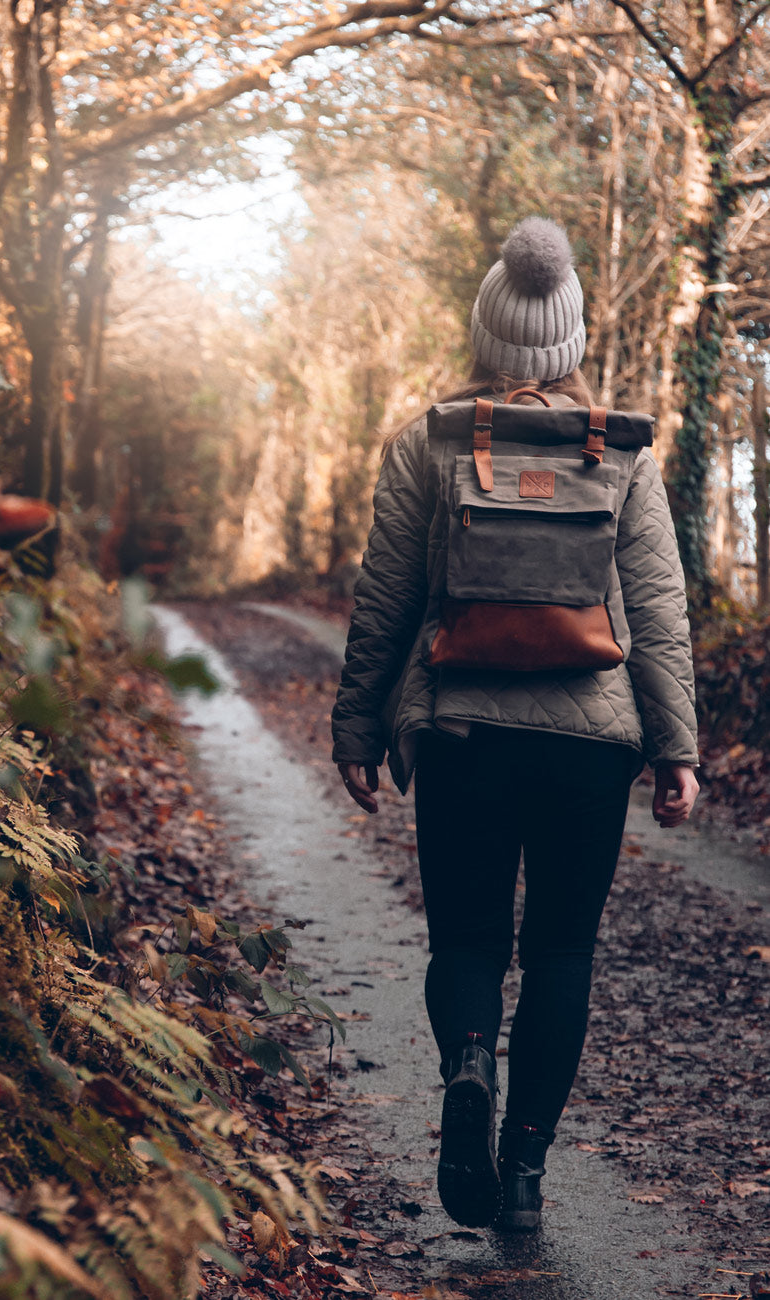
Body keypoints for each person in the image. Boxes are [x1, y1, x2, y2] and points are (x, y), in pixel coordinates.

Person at [329, 216, 700, 1233]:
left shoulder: (430, 441)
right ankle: (526, 1166)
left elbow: (386, 598)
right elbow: (658, 615)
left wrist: (358, 724)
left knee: (467, 939)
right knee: (563, 949)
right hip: (589, 743)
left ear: (488, 330)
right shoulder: (620, 450)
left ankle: (464, 1064)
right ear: (571, 339)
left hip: (462, 731)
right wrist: (675, 750)